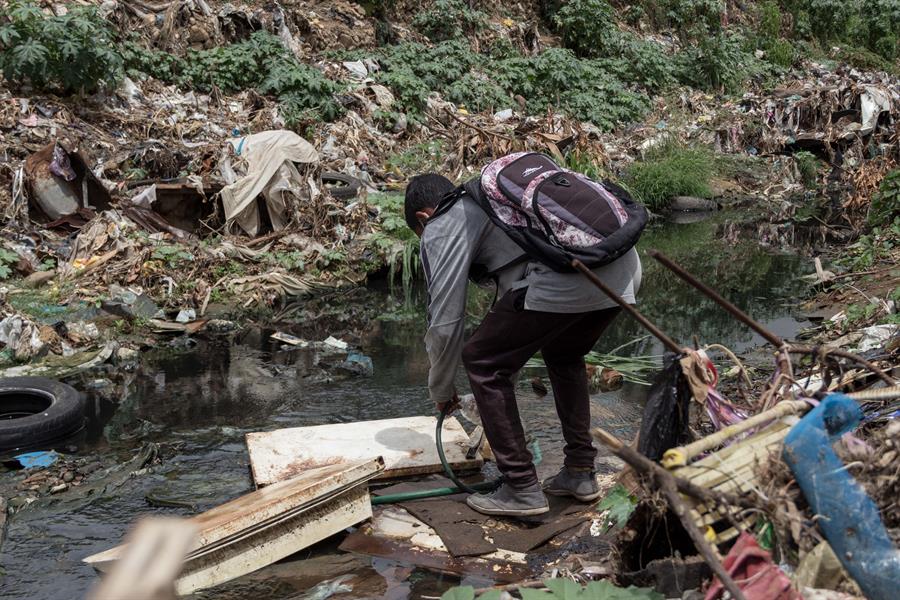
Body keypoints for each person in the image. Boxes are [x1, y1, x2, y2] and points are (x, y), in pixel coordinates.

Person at [405, 172, 642, 517]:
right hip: (624, 267)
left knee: (481, 359)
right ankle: (579, 472)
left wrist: (441, 391)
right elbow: (512, 324)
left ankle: (520, 487)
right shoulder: (498, 204)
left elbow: (444, 324)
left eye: (419, 234)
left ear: (424, 217)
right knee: (563, 353)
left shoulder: (443, 222)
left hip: (574, 276)